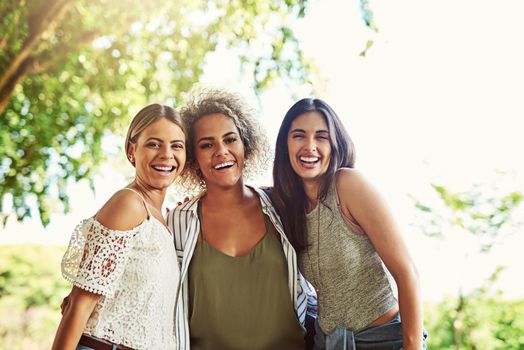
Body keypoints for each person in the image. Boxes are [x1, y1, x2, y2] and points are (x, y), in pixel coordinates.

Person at [271, 98, 427, 350]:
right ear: (285, 145)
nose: (310, 146)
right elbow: (241, 198)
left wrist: (412, 346)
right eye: (299, 136)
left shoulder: (348, 184)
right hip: (330, 342)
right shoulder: (288, 204)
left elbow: (407, 272)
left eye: (321, 137)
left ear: (335, 144)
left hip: (384, 339)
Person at [167, 89, 315, 350]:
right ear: (193, 157)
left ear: (245, 145)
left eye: (230, 139)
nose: (221, 151)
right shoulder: (179, 222)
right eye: (207, 144)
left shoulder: (281, 207)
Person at [52, 104, 186, 350]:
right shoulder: (128, 204)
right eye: (154, 144)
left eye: (176, 145)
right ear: (131, 150)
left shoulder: (163, 222)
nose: (167, 154)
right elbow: (79, 304)